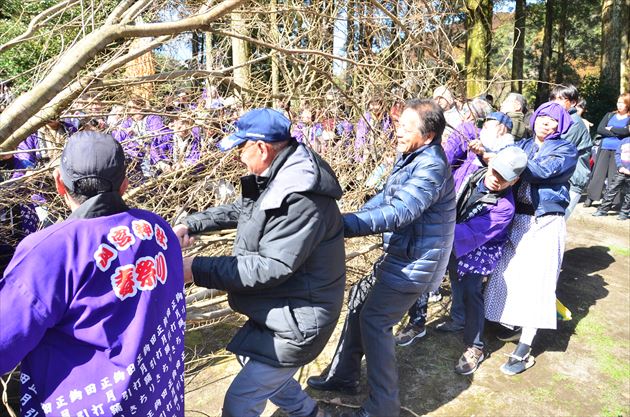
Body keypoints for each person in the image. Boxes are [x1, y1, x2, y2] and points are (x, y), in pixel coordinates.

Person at [0, 132, 186, 416]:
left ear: (59, 183)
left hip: (82, 405)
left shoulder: (50, 250)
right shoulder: (158, 229)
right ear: (125, 184)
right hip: (156, 400)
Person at [174, 108, 344, 417]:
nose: (239, 156)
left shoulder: (300, 197)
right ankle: (309, 413)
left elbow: (271, 267)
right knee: (248, 360)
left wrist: (194, 268)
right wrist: (192, 224)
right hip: (283, 307)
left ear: (261, 147)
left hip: (301, 319)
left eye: (241, 147)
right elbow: (244, 209)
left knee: (240, 402)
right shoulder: (277, 174)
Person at [307, 99, 456, 417]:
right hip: (402, 254)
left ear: (428, 135)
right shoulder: (413, 156)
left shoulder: (431, 166)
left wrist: (342, 226)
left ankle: (383, 406)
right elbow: (387, 197)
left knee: (376, 321)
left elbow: (402, 210)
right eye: (398, 124)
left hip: (415, 263)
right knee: (360, 300)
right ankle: (344, 375)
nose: (398, 132)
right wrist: (347, 215)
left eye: (406, 127)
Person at [395, 111, 515, 344]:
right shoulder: (474, 172)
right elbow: (452, 165)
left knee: (469, 286)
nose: (496, 178)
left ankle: (474, 342)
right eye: (495, 171)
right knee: (434, 274)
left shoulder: (504, 206)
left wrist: (438, 231)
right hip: (450, 231)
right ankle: (421, 322)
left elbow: (474, 232)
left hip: (474, 244)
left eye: (504, 177)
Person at [484, 102, 577, 375]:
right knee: (507, 274)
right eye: (543, 118)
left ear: (561, 126)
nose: (547, 124)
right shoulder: (523, 145)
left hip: (544, 221)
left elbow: (541, 172)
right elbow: (501, 170)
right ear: (534, 119)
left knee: (538, 282)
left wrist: (504, 159)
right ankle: (511, 324)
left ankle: (525, 348)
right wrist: (485, 155)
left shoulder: (564, 150)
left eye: (553, 121)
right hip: (517, 220)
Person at [549, 85, 593, 218]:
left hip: (572, 181)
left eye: (561, 99)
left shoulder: (573, 123)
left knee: (558, 221)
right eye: (553, 98)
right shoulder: (561, 119)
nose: (555, 102)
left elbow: (556, 149)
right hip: (562, 178)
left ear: (573, 102)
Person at [585, 93, 630, 206]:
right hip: (604, 147)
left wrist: (611, 128)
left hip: (619, 151)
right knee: (598, 174)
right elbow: (600, 129)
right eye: (618, 102)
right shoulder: (609, 115)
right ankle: (591, 197)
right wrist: (617, 132)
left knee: (613, 176)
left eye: (622, 103)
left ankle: (613, 201)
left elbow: (626, 132)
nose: (619, 105)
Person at [592, 135, 630, 220]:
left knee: (629, 194)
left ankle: (624, 212)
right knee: (611, 190)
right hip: (621, 171)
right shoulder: (624, 141)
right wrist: (620, 167)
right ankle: (603, 210)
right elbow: (617, 154)